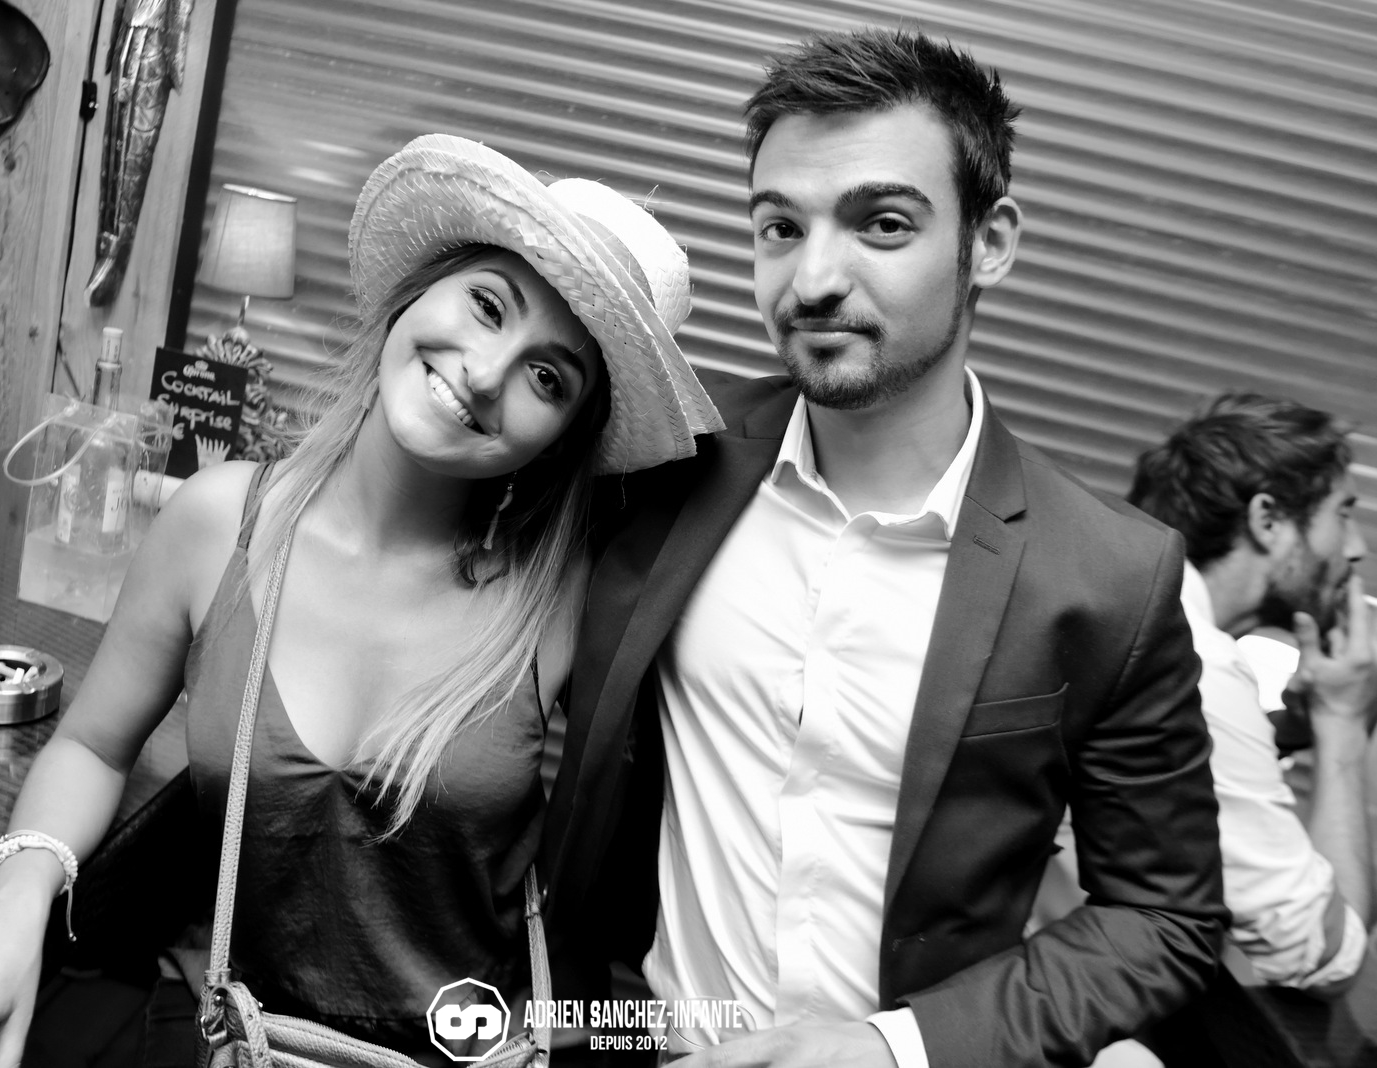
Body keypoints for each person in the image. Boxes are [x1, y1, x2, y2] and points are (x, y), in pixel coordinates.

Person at [0, 133, 721, 1067]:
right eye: (488, 306)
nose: (486, 373)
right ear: (421, 289)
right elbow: (91, 744)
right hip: (231, 1035)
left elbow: (668, 850)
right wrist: (14, 901)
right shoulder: (219, 524)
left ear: (561, 438)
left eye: (547, 378)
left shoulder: (566, 602)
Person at [541, 29, 1226, 1068]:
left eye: (883, 224)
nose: (813, 279)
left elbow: (1163, 918)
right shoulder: (663, 454)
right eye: (780, 227)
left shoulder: (1110, 576)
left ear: (989, 242)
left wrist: (893, 1047)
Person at [1126, 393, 1374, 992]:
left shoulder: (1140, 615)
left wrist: (1287, 730)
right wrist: (1342, 725)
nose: (1356, 548)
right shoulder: (1197, 667)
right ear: (1268, 520)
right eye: (1342, 514)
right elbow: (1318, 957)